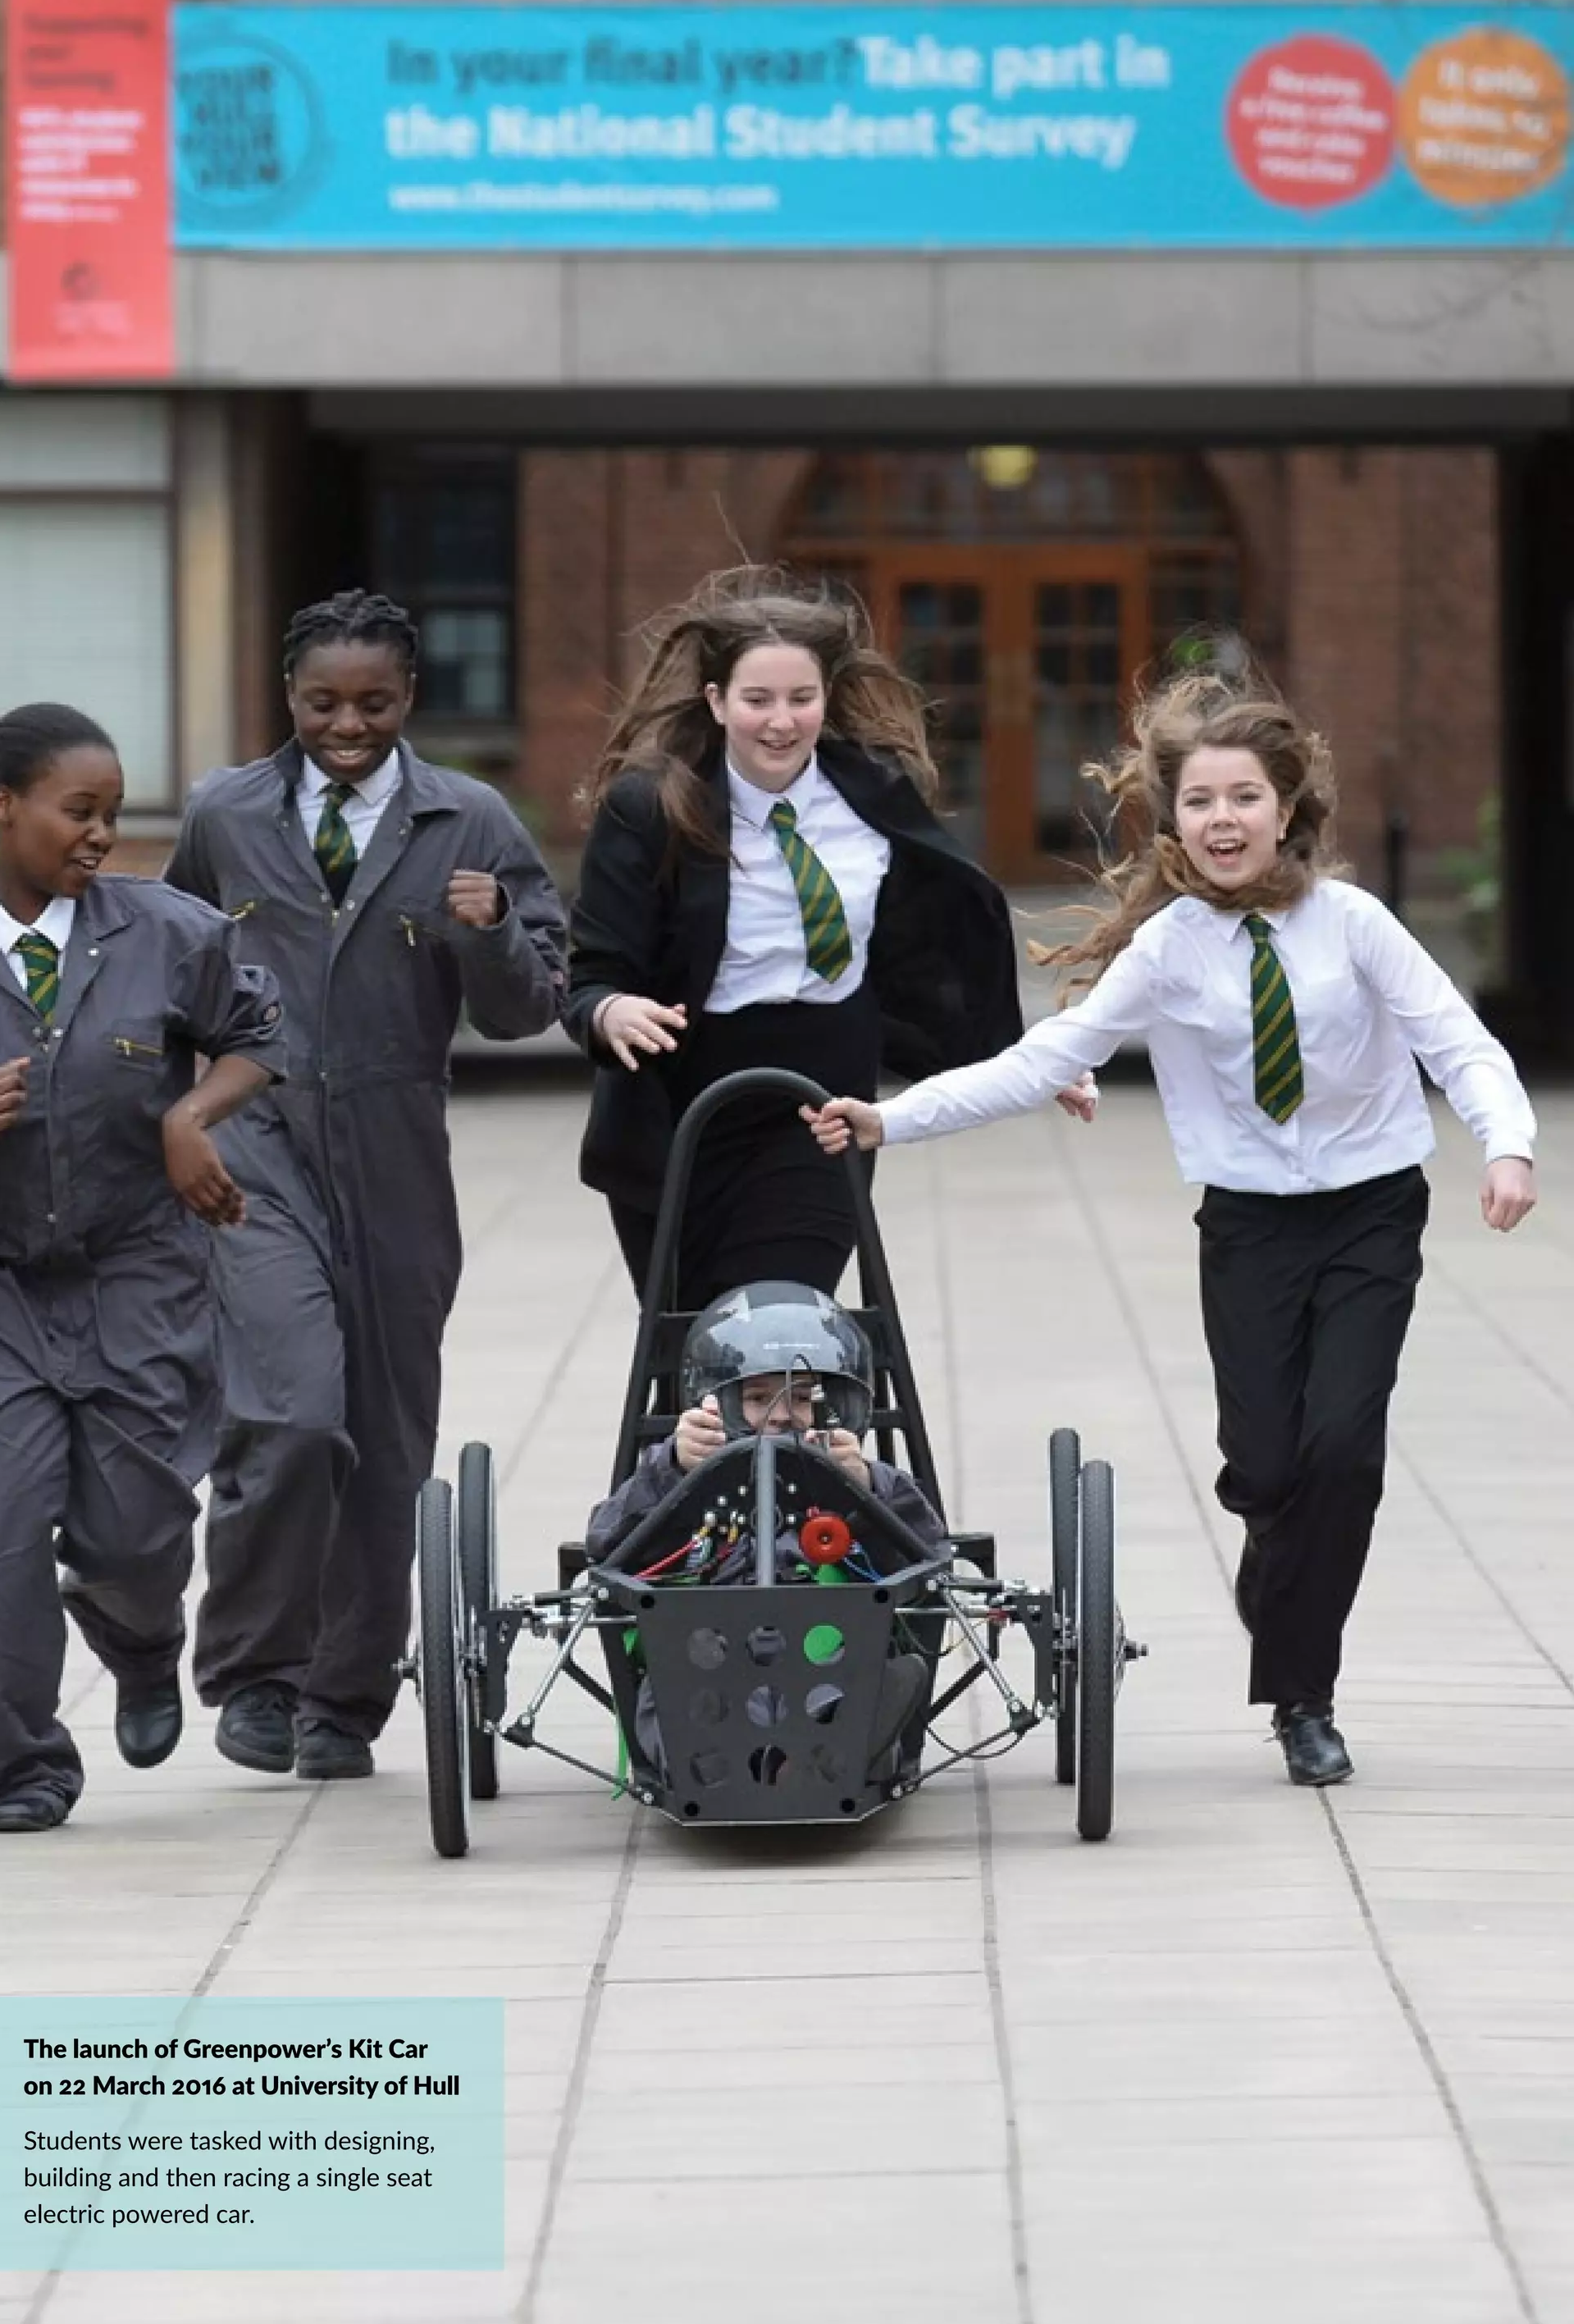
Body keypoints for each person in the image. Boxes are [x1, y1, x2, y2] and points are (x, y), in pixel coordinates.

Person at [806, 661, 1538, 1789]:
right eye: (1199, 803)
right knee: (1264, 1466)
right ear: (1176, 823)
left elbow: (1459, 1043)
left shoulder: (1355, 925)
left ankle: (1304, 1695)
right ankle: (1276, 1559)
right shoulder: (1170, 949)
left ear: (1286, 808)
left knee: (1341, 1452)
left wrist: (1507, 1144)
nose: (1222, 821)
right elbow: (1045, 1061)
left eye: (1244, 797)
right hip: (1247, 1225)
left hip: (1370, 1216)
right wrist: (889, 1122)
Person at [165, 590, 566, 1783]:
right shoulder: (225, 815)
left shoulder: (471, 819)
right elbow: (167, 971)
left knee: (384, 1442)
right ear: (289, 697)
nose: (348, 725)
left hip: (397, 1160)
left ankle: (345, 1700)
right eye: (324, 702)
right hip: (258, 1154)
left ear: (410, 702)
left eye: (374, 703)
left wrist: (488, 932)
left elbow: (526, 1009)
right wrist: (165, 1119)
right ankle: (254, 1671)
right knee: (290, 1419)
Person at [0, 704, 287, 1833]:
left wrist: (191, 1116)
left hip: (135, 1277)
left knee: (134, 1533)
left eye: (114, 813)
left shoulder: (172, 933)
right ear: (5, 805)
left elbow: (259, 1037)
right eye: (80, 811)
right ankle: (18, 1772)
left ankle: (141, 1638)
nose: (103, 834)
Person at [563, 566, 1072, 1312]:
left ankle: (794, 1428)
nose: (781, 721)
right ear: (716, 702)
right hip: (680, 1112)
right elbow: (591, 976)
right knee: (690, 1352)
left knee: (777, 1327)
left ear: (826, 700)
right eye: (757, 700)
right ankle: (684, 1436)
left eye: (801, 699)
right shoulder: (652, 807)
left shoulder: (871, 792)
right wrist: (610, 1012)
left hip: (820, 1108)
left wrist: (1027, 1064)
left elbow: (927, 957)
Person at [586, 1281, 947, 1776]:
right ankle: (729, 1761)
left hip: (824, 1651)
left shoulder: (848, 1474)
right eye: (758, 1398)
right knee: (696, 1656)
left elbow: (931, 1556)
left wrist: (865, 1486)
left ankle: (831, 1746)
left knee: (850, 1657)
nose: (780, 1415)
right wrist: (672, 1468)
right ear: (718, 1405)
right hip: (709, 1663)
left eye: (799, 1398)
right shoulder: (677, 1472)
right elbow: (604, 1545)